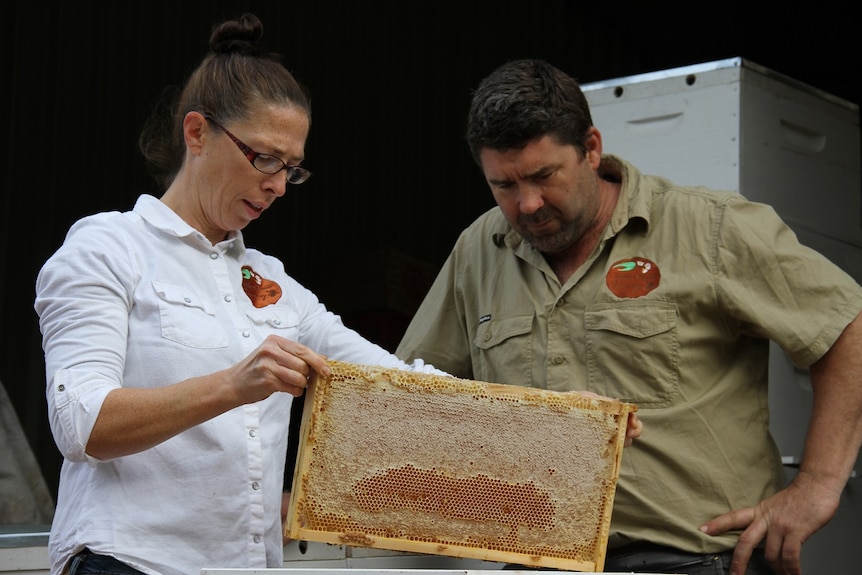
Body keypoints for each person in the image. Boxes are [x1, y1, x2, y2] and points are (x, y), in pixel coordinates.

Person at [396, 58, 862, 575]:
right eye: (503, 186)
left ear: (591, 149)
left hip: (698, 560)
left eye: (543, 176)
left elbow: (847, 326)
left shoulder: (709, 228)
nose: (527, 204)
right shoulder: (477, 251)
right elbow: (409, 396)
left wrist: (818, 485)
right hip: (539, 563)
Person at [33, 13, 450, 575]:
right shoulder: (107, 247)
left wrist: (564, 418)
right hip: (130, 562)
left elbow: (399, 382)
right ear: (197, 133)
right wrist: (233, 384)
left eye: (293, 169)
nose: (278, 184)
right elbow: (80, 424)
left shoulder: (276, 284)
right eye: (264, 158)